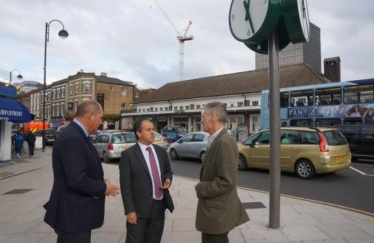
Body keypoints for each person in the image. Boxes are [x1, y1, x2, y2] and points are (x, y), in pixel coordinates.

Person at [43, 100, 120, 243]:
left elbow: (78, 170)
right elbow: (77, 179)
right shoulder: (73, 137)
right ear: (90, 116)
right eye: (100, 118)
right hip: (73, 215)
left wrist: (100, 181)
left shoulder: (77, 134)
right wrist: (104, 188)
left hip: (76, 214)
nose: (101, 122)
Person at [195, 101, 249, 243]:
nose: (201, 120)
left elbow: (227, 181)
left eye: (203, 116)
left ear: (213, 116)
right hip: (212, 212)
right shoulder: (216, 139)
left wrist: (201, 188)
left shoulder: (224, 142)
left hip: (217, 214)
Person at [119, 117, 174, 243]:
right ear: (138, 133)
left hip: (159, 207)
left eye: (153, 129)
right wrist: (130, 210)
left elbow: (167, 170)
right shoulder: (128, 155)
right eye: (148, 130)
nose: (152, 132)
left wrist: (167, 179)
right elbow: (125, 186)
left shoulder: (160, 152)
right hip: (138, 210)